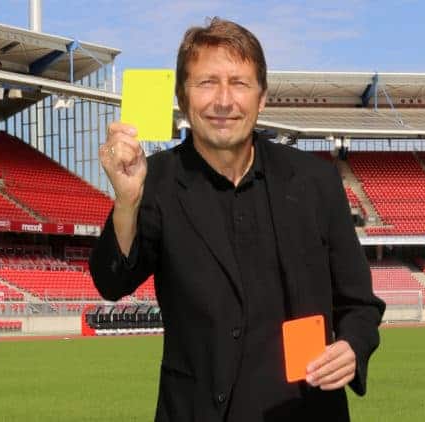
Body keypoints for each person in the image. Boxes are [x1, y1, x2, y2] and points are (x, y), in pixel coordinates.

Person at [90, 17, 385, 422]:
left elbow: (360, 305)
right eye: (207, 82)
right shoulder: (153, 179)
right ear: (182, 97)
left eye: (240, 83)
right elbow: (112, 283)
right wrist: (127, 202)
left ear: (261, 98)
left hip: (305, 410)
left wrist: (351, 346)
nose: (224, 101)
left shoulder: (315, 180)